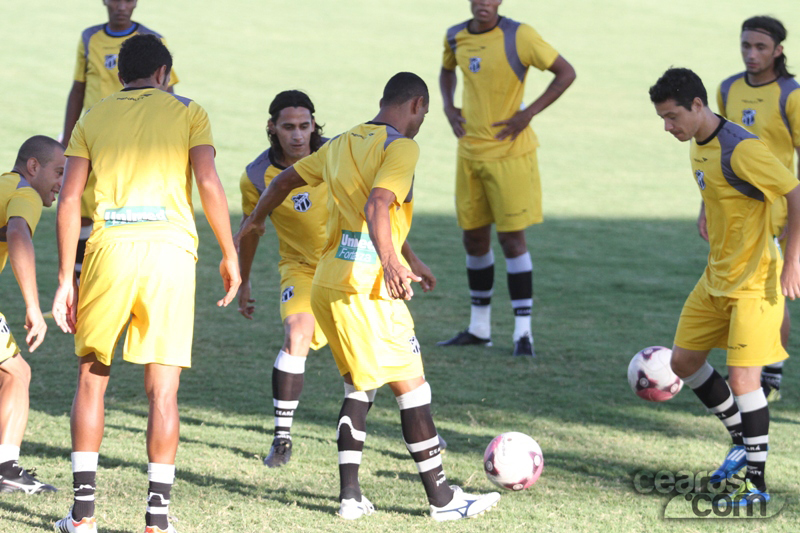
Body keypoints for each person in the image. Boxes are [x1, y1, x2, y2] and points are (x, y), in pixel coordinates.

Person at [237, 72, 500, 521]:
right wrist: (393, 263)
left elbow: (281, 184)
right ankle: (442, 501)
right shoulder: (401, 147)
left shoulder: (342, 143)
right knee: (412, 388)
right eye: (424, 114)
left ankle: (351, 498)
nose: (421, 124)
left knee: (360, 386)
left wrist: (254, 222)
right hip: (369, 286)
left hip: (328, 281)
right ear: (415, 105)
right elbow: (378, 204)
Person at [53, 35, 240, 533]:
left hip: (108, 251)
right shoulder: (189, 111)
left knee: (91, 379)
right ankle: (156, 518)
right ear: (164, 73)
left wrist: (62, 279)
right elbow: (208, 181)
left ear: (119, 75)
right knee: (163, 392)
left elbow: (70, 200)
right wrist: (229, 251)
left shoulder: (93, 116)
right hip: (171, 255)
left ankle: (84, 516)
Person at [650, 67, 800, 507]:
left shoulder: (743, 148)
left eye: (673, 116)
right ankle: (740, 437)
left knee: (744, 381)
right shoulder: (698, 141)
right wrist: (705, 208)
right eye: (662, 118)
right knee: (683, 362)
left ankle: (756, 486)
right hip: (715, 278)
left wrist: (793, 261)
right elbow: (717, 183)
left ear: (698, 105)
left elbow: (795, 195)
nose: (667, 127)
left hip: (754, 283)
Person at [437, 0, 575, 355]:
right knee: (474, 240)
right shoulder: (455, 37)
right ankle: (479, 329)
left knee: (513, 241)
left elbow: (566, 72)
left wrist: (528, 113)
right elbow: (447, 70)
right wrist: (447, 105)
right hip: (470, 155)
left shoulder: (520, 36)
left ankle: (523, 334)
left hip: (510, 155)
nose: (484, 3)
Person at [701, 16, 800, 402]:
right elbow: (715, 149)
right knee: (738, 287)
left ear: (778, 50)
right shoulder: (727, 88)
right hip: (733, 210)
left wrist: (796, 227)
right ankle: (752, 369)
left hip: (776, 210)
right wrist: (704, 205)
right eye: (746, 46)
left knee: (769, 290)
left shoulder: (791, 94)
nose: (751, 54)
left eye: (760, 47)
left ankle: (768, 373)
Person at [237, 90, 329, 467]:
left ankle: (419, 428)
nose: (297, 135)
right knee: (296, 335)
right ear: (272, 128)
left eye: (304, 126)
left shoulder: (337, 154)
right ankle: (282, 437)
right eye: (288, 127)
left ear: (313, 126)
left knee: (371, 353)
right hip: (301, 268)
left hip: (352, 264)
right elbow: (250, 229)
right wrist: (243, 282)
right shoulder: (257, 176)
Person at [62, 0, 180, 281]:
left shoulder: (152, 40)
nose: (121, 5)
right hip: (93, 136)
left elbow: (168, 94)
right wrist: (66, 138)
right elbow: (78, 87)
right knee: (83, 208)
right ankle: (79, 279)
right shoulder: (90, 37)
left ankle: (122, 275)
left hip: (133, 139)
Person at [0, 136, 64, 494]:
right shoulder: (24, 192)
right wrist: (32, 307)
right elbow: (18, 233)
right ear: (33, 166)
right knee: (16, 372)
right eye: (58, 171)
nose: (61, 182)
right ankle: (6, 469)